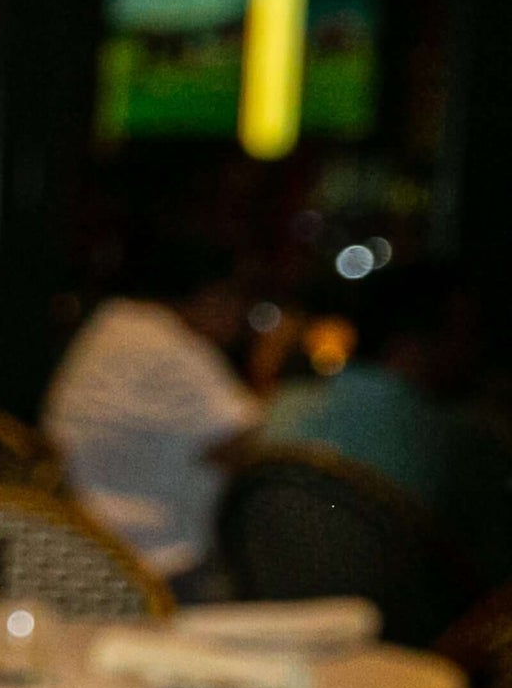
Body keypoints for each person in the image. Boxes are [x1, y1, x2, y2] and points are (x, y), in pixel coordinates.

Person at [263, 262, 511, 582]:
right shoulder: (456, 437)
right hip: (412, 624)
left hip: (285, 612)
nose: (476, 350)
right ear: (412, 342)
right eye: (468, 334)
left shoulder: (282, 403)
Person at [40, 238, 262, 584]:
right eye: (239, 299)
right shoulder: (170, 349)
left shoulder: (110, 326)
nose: (243, 316)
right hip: (165, 569)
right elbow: (255, 448)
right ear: (212, 295)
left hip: (90, 556)